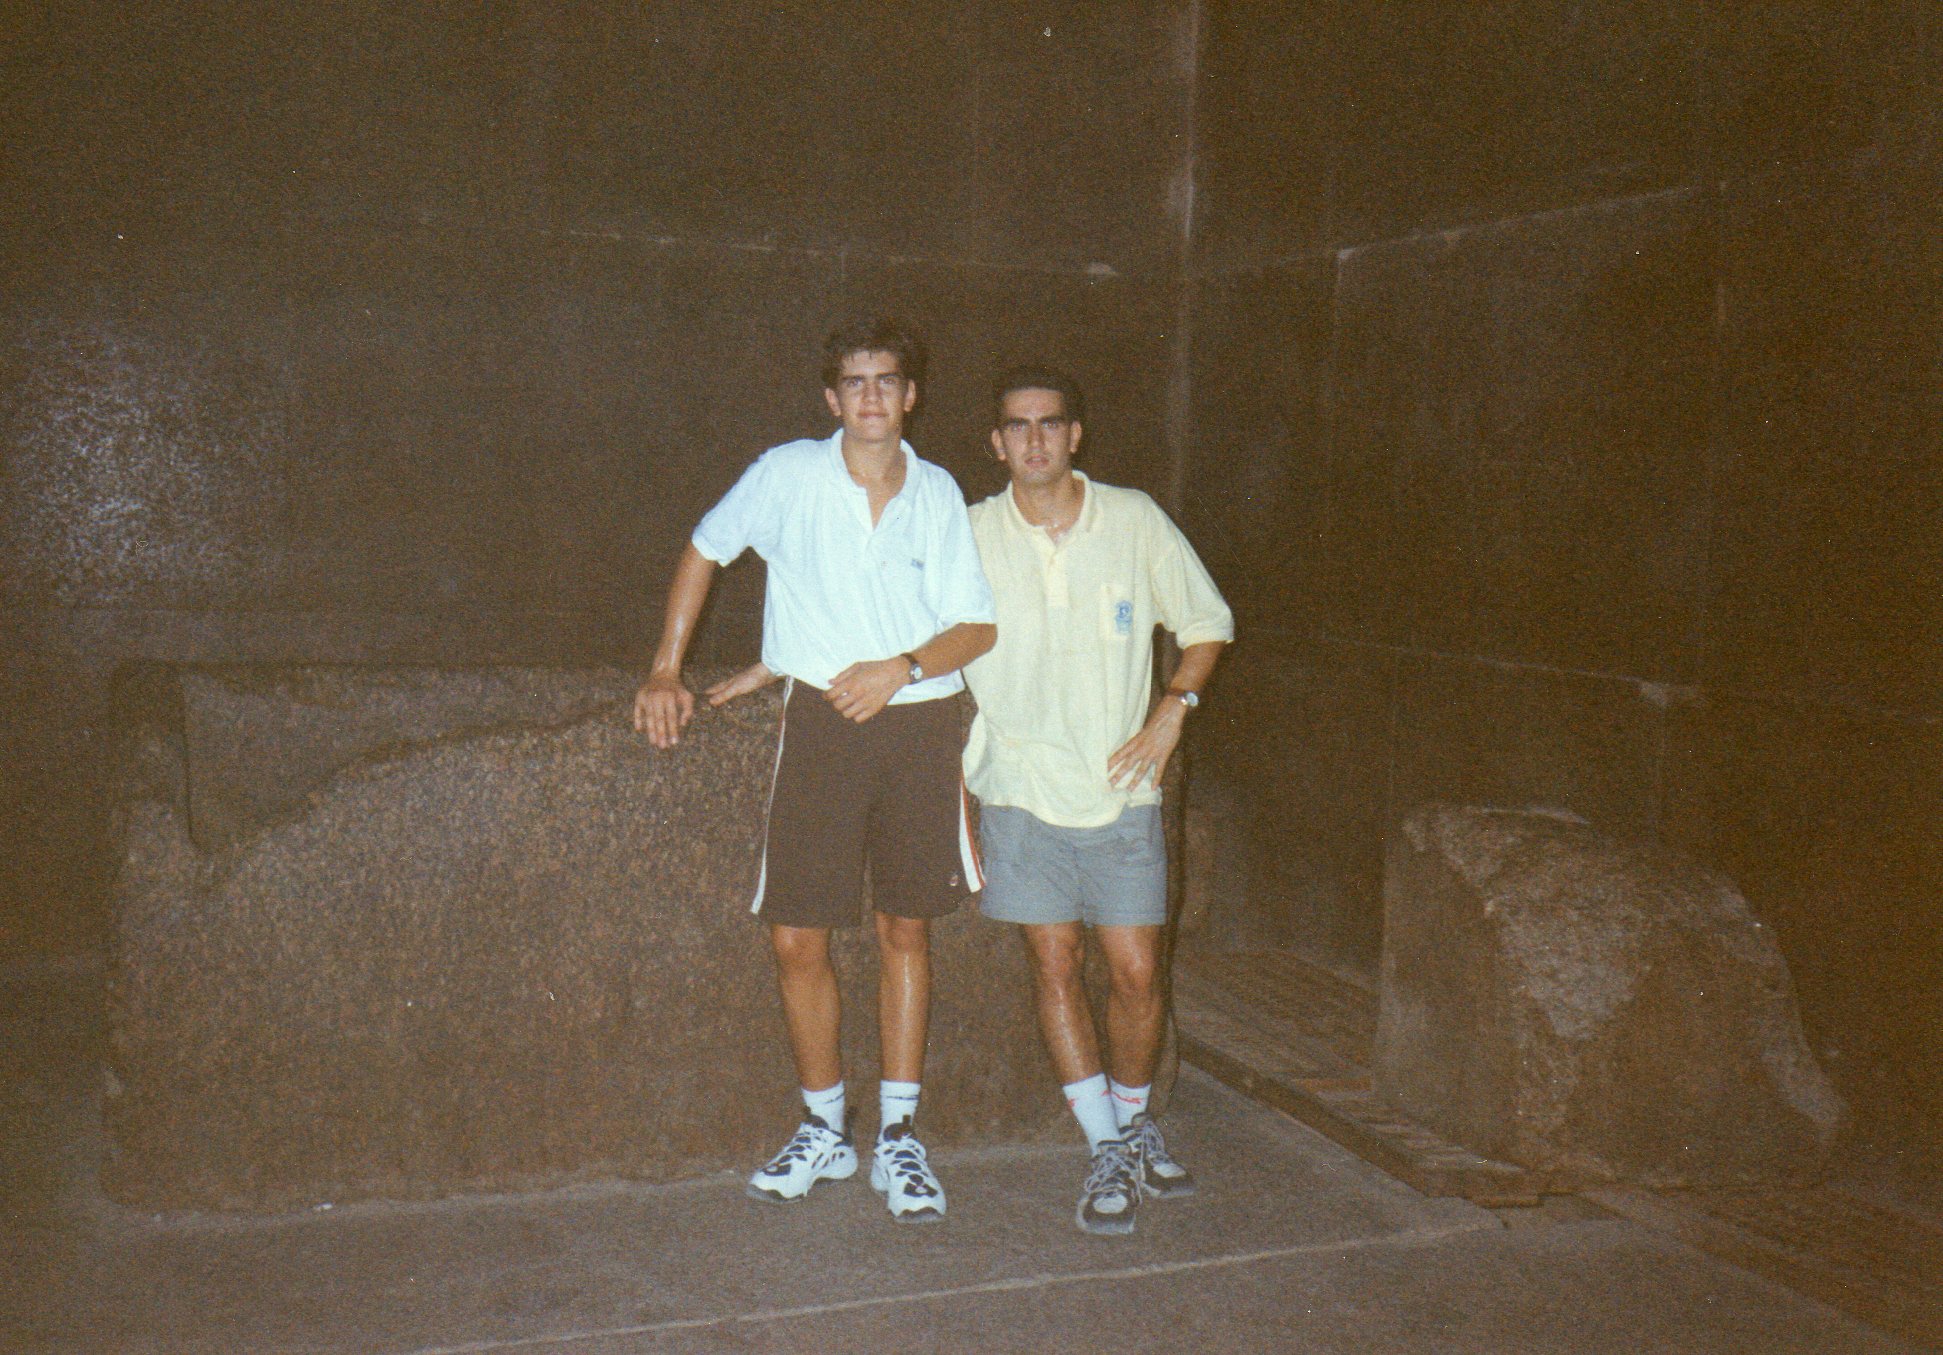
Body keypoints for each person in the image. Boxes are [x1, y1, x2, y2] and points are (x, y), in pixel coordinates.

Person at [632, 318, 996, 1224]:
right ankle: (824, 1127)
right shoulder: (786, 473)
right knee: (796, 935)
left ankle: (899, 1136)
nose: (872, 396)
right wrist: (667, 670)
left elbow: (974, 626)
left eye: (887, 380)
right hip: (823, 725)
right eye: (855, 381)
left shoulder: (938, 491)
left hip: (919, 723)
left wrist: (899, 667)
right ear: (832, 398)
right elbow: (705, 548)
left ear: (910, 395)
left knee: (904, 926)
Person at [960, 365, 1232, 1235]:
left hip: (1121, 791)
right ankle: (1105, 1145)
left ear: (1075, 434)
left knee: (1136, 971)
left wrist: (1172, 710)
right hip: (1018, 787)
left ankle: (1135, 1118)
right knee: (1053, 963)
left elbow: (1206, 623)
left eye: (1050, 423)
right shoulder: (968, 531)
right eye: (1017, 425)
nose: (1034, 439)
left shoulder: (1134, 518)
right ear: (996, 441)